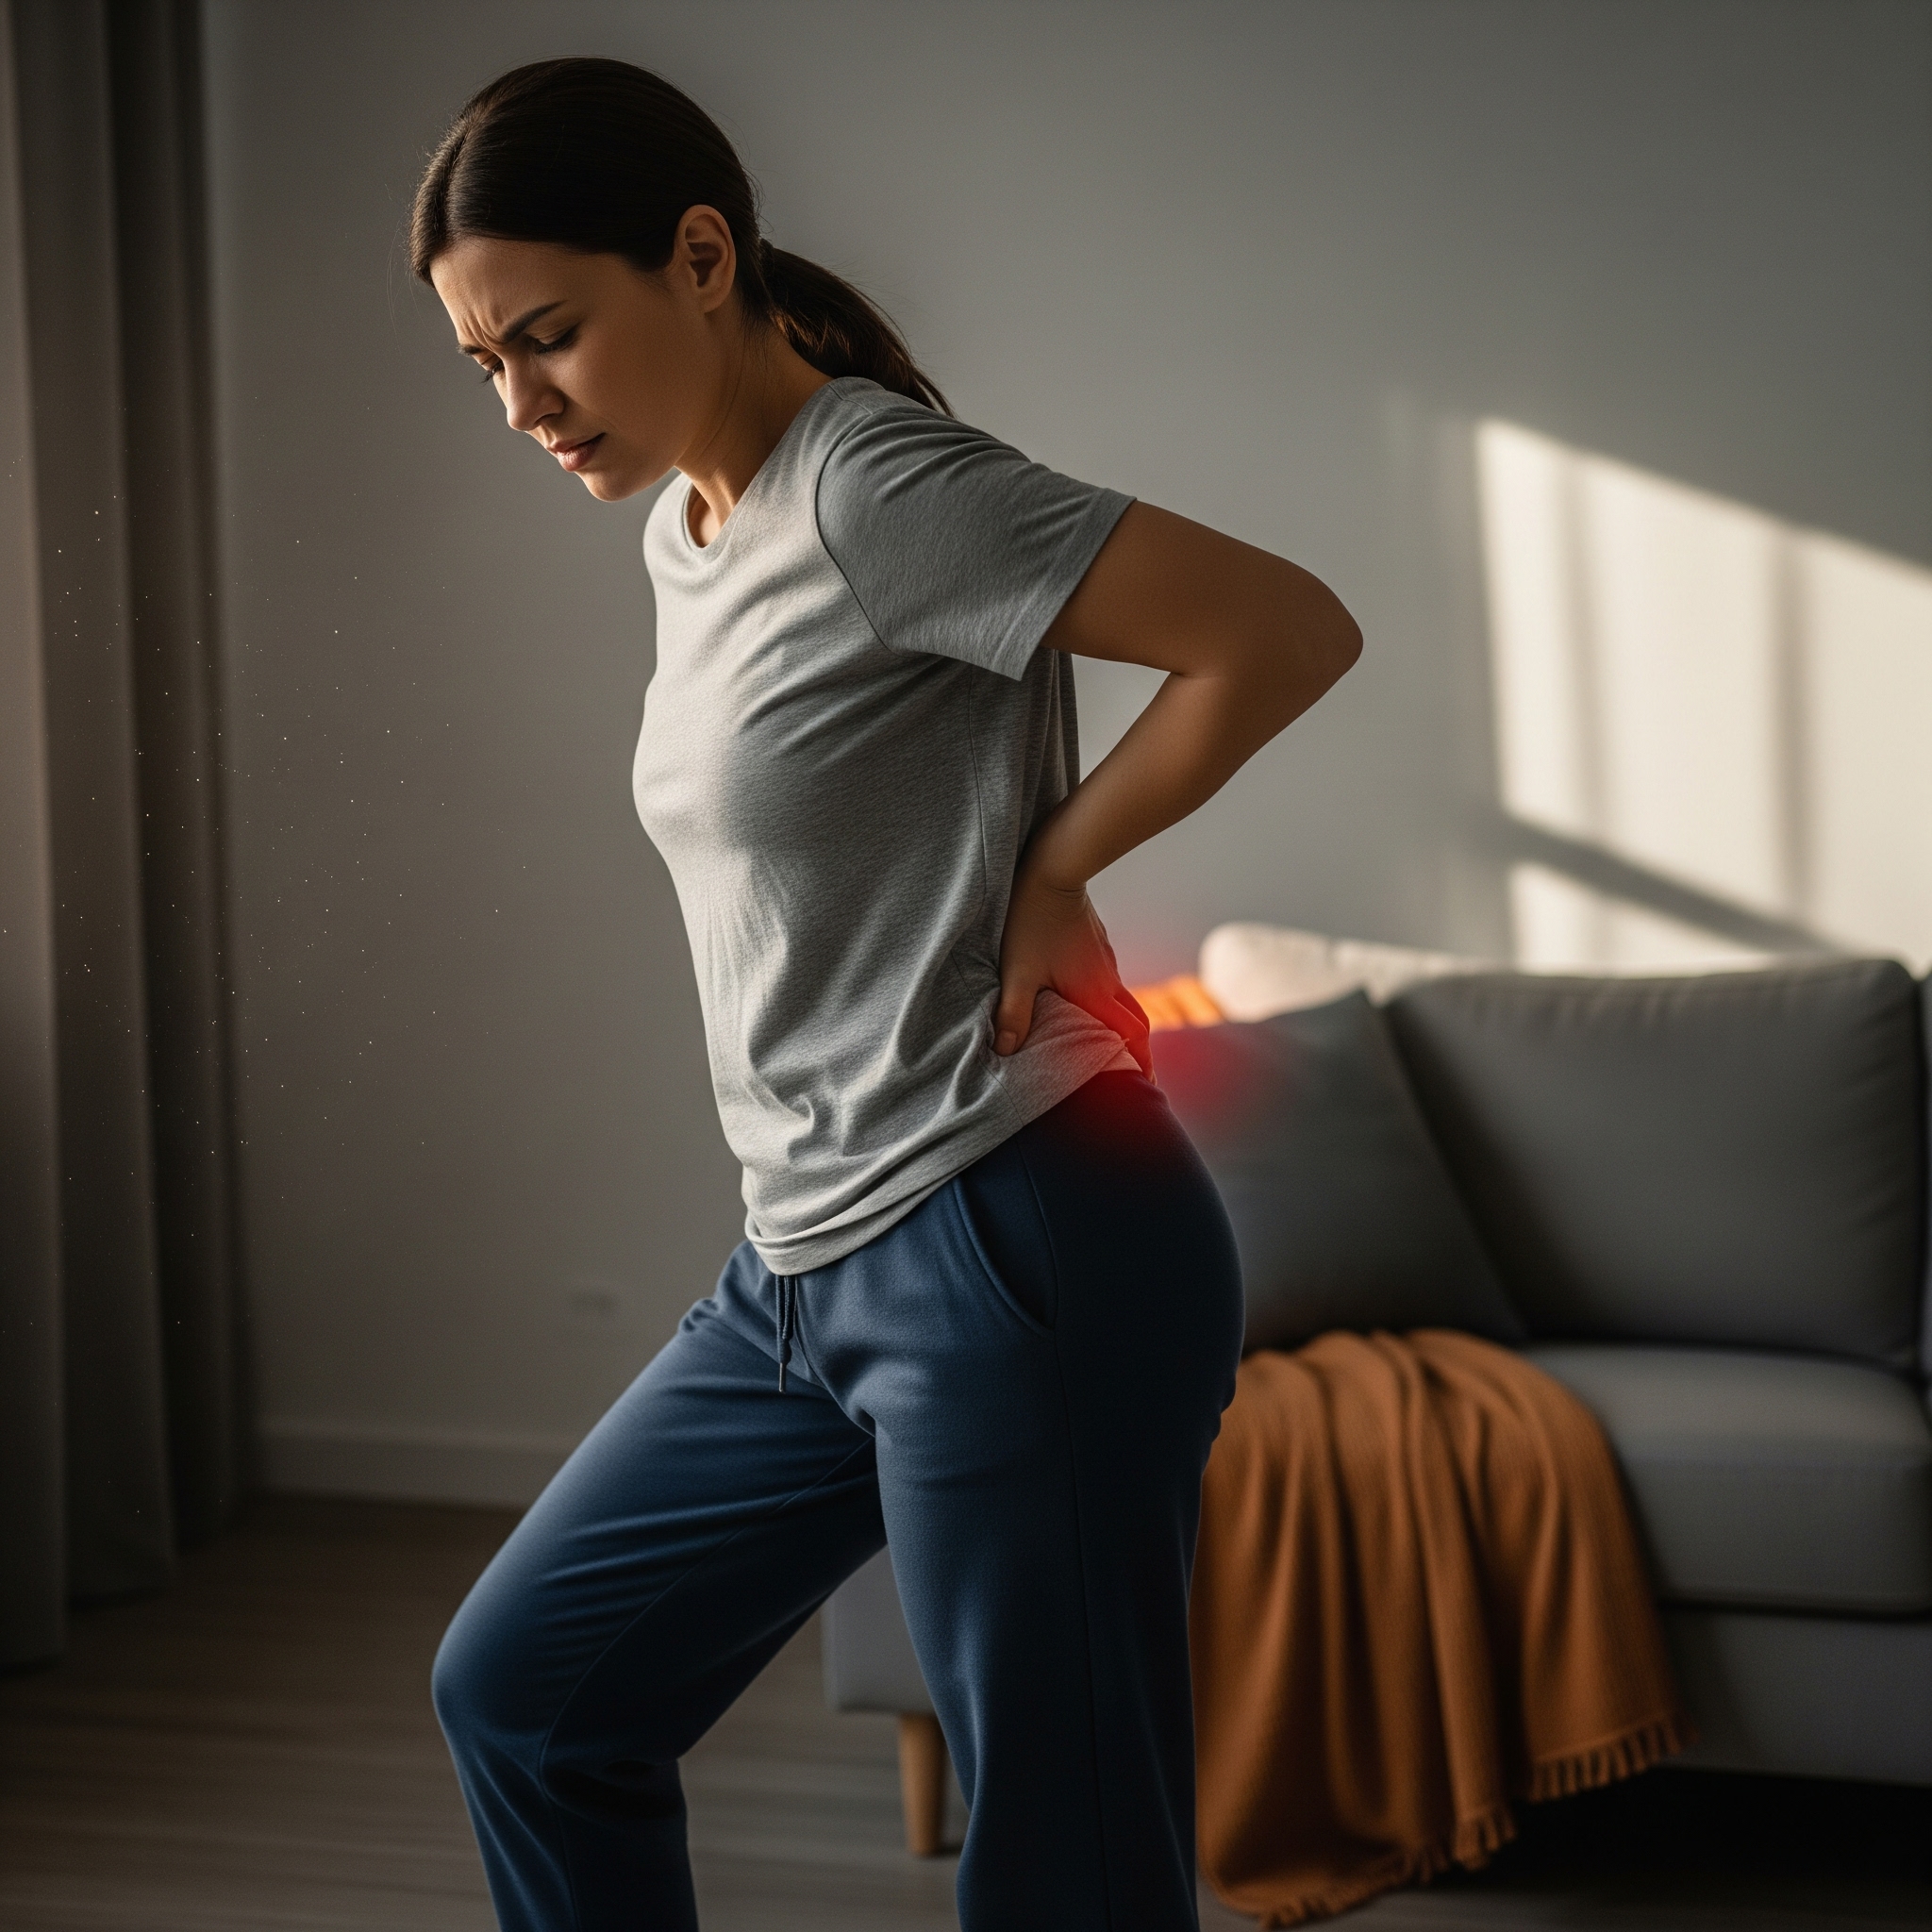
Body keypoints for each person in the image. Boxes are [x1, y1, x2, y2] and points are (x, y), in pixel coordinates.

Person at [416, 56, 1359, 1932]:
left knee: (1064, 1872)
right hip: (797, 1263)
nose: (520, 402)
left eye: (549, 338)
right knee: (526, 1692)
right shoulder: (688, 527)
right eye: (483, 365)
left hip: (1017, 1237)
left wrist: (1061, 862)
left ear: (698, 258)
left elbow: (1278, 631)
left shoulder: (875, 485)